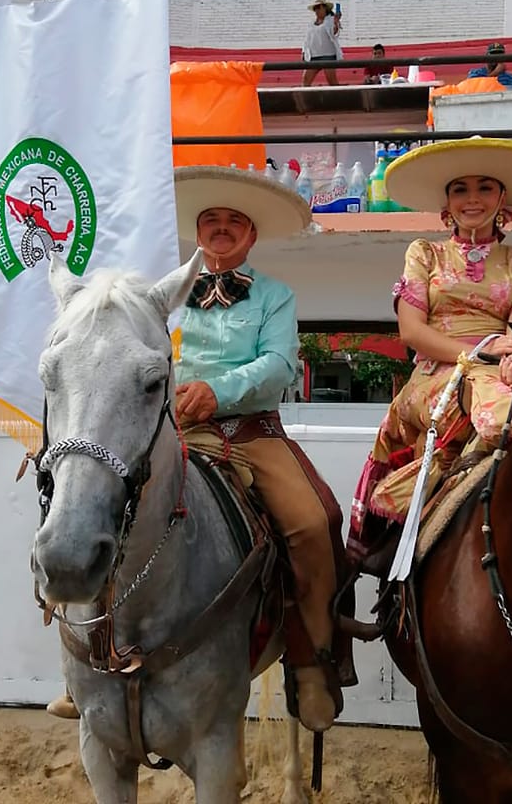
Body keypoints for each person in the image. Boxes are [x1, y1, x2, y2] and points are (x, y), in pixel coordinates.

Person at [172, 165, 354, 732]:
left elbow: (278, 367)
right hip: (175, 432)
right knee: (107, 498)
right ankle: (94, 657)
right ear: (197, 231)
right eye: (212, 220)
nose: (223, 229)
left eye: (234, 222)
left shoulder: (276, 296)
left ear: (251, 236)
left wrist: (217, 390)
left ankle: (311, 663)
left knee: (314, 522)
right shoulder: (164, 290)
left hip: (251, 432)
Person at [349, 138, 512, 546]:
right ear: (447, 201)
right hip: (437, 375)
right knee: (511, 418)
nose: (473, 199)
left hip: (499, 369)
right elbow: (412, 332)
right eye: (460, 189)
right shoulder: (425, 253)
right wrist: (475, 356)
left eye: (485, 187)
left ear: (503, 197)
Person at [302, 0, 342, 87]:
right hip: (313, 56)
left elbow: (334, 33)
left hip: (328, 55)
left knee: (332, 81)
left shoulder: (331, 20)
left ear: (325, 8)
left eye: (319, 7)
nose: (317, 10)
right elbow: (307, 39)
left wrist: (336, 23)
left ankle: (339, 99)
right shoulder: (311, 23)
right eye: (316, 8)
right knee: (306, 80)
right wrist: (304, 52)